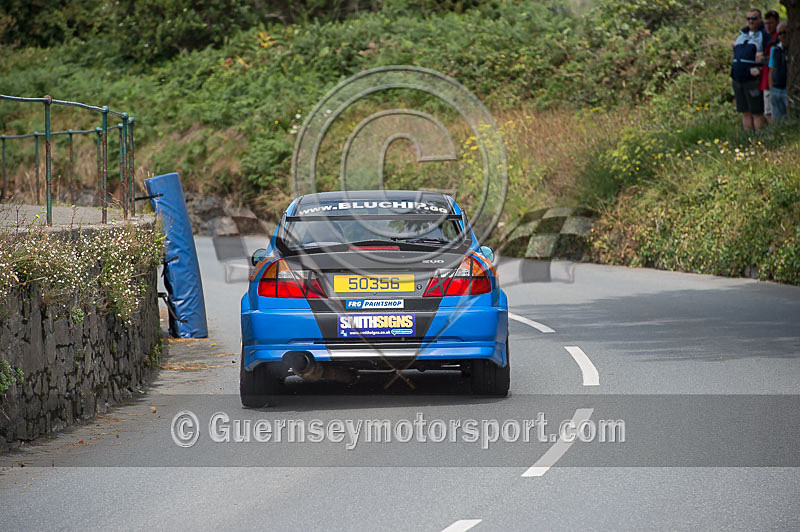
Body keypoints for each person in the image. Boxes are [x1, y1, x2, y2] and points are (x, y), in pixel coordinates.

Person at [731, 9, 769, 131]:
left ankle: (760, 139)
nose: (751, 21)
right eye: (748, 18)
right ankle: (748, 140)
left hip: (752, 80)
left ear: (760, 19)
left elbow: (769, 56)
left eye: (754, 18)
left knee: (757, 112)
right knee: (744, 111)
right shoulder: (741, 35)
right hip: (737, 79)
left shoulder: (763, 34)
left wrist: (760, 67)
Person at [761, 10, 779, 122]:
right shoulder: (768, 39)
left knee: (772, 113)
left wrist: (763, 59)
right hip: (766, 80)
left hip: (774, 82)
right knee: (768, 112)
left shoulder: (779, 38)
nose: (768, 26)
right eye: (766, 23)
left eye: (771, 23)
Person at [769, 21, 789, 121]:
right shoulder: (775, 49)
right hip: (776, 89)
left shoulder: (793, 49)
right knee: (777, 120)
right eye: (780, 33)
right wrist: (771, 88)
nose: (783, 36)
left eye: (785, 32)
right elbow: (771, 69)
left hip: (788, 89)